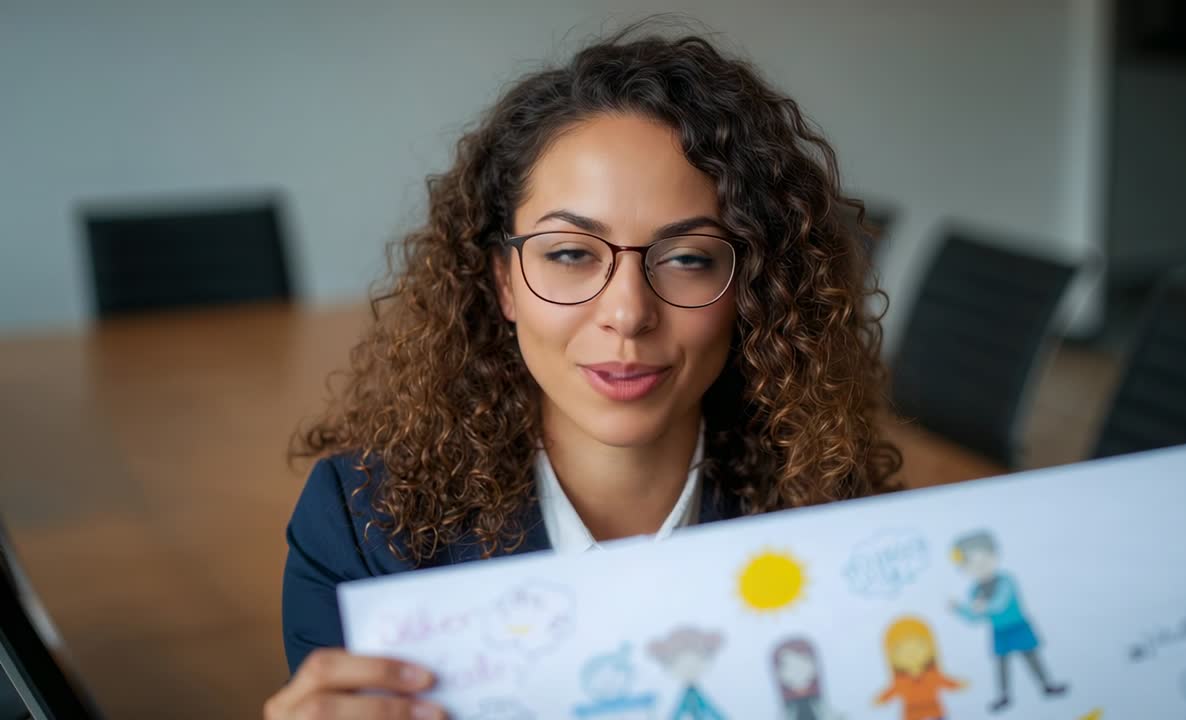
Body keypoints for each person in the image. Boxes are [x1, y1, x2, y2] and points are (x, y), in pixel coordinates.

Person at [264, 21, 900, 720]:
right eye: (570, 254)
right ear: (504, 281)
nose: (627, 314)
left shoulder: (844, 518)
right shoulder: (362, 528)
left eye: (688, 258)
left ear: (751, 287)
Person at [948, 530, 1068, 712]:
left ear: (994, 555)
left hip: (1018, 626)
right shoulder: (975, 591)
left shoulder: (1006, 580)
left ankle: (1047, 686)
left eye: (983, 559)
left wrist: (983, 606)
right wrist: (959, 609)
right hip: (999, 631)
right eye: (972, 564)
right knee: (1002, 664)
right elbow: (975, 617)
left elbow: (1000, 602)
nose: (979, 566)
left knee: (1032, 657)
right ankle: (1003, 696)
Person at [873, 616, 965, 720]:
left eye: (919, 645)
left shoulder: (933, 675)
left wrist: (957, 685)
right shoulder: (900, 681)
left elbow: (945, 681)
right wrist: (882, 699)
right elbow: (891, 691)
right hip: (912, 714)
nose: (911, 653)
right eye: (901, 649)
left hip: (934, 710)